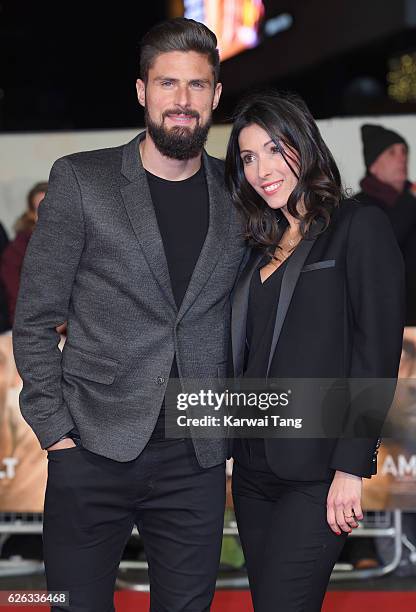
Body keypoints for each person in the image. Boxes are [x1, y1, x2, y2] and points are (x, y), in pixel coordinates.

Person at [13, 18, 245, 612]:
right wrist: (55, 430)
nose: (183, 101)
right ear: (142, 91)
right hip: (89, 447)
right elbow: (36, 316)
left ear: (216, 96)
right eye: (168, 84)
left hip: (194, 455)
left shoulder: (236, 194)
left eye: (197, 86)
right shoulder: (82, 180)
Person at [225, 91, 405, 611]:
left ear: (304, 145)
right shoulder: (255, 245)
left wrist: (350, 469)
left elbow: (376, 355)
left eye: (275, 149)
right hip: (254, 468)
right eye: (249, 157)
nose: (263, 168)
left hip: (319, 472)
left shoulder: (357, 226)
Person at [355, 124, 416, 324]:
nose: (402, 158)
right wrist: (410, 199)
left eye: (404, 151)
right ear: (373, 165)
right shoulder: (358, 207)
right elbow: (385, 243)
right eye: (391, 152)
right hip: (382, 319)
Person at [0, 182, 47, 324]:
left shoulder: (85, 244)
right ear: (32, 215)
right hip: (34, 329)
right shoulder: (16, 253)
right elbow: (18, 303)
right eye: (42, 209)